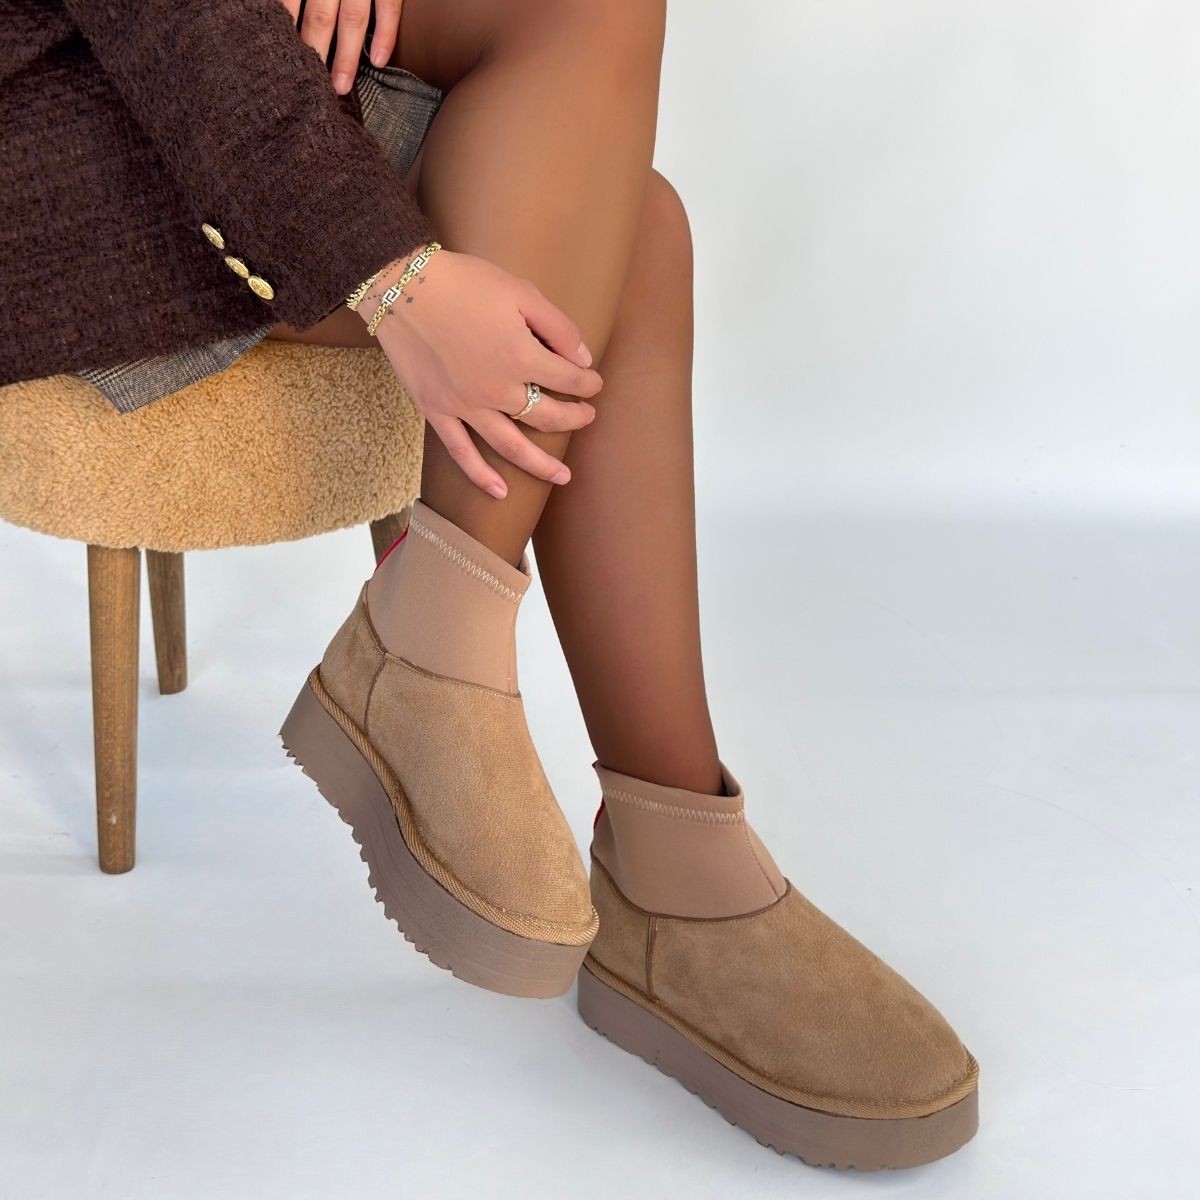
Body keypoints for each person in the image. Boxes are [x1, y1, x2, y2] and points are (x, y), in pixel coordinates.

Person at [1, 0, 979, 1170]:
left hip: (192, 51)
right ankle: (655, 864)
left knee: (614, 177)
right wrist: (394, 280)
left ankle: (479, 681)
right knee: (629, 227)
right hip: (51, 144)